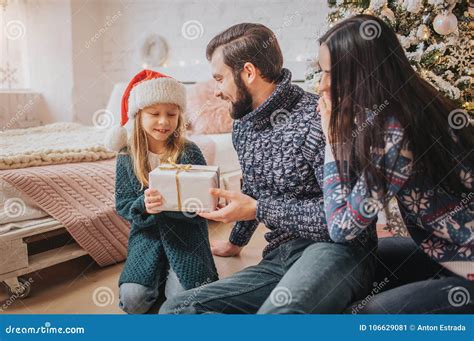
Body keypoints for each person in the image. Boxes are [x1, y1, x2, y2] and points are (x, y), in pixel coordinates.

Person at [160, 23, 376, 315]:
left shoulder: (319, 120)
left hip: (336, 251)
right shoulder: (243, 126)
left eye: (220, 78)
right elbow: (253, 190)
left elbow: (345, 225)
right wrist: (237, 241)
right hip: (278, 256)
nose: (218, 91)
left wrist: (259, 210)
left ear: (248, 73)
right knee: (176, 310)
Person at [317, 14, 473, 313]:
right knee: (353, 266)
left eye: (329, 73)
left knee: (366, 314)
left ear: (359, 74)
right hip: (448, 249)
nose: (322, 85)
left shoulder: (396, 132)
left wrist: (332, 142)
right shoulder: (403, 104)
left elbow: (341, 226)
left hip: (466, 260)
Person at [106, 70, 218, 314]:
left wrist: (197, 202)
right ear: (138, 115)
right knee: (132, 302)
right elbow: (124, 204)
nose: (164, 122)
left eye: (172, 114)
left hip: (187, 237)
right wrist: (144, 205)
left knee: (181, 302)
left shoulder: (190, 152)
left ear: (180, 116)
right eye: (154, 114)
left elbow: (204, 204)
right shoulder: (127, 156)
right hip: (147, 237)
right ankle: (156, 277)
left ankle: (169, 278)